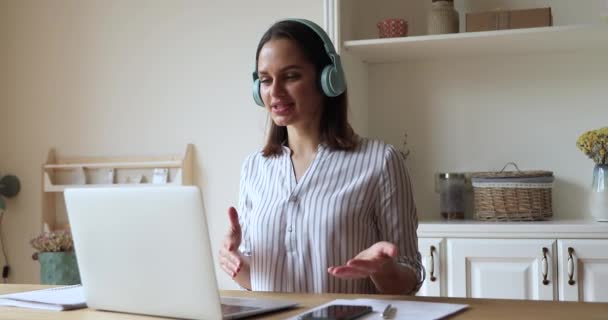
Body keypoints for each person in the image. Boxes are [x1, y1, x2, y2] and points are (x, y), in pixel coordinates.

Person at [218, 18, 423, 295]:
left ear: (328, 78)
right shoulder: (254, 168)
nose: (274, 92)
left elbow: (409, 278)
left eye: (290, 76)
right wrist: (234, 262)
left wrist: (382, 270)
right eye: (265, 80)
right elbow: (258, 281)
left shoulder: (380, 161)